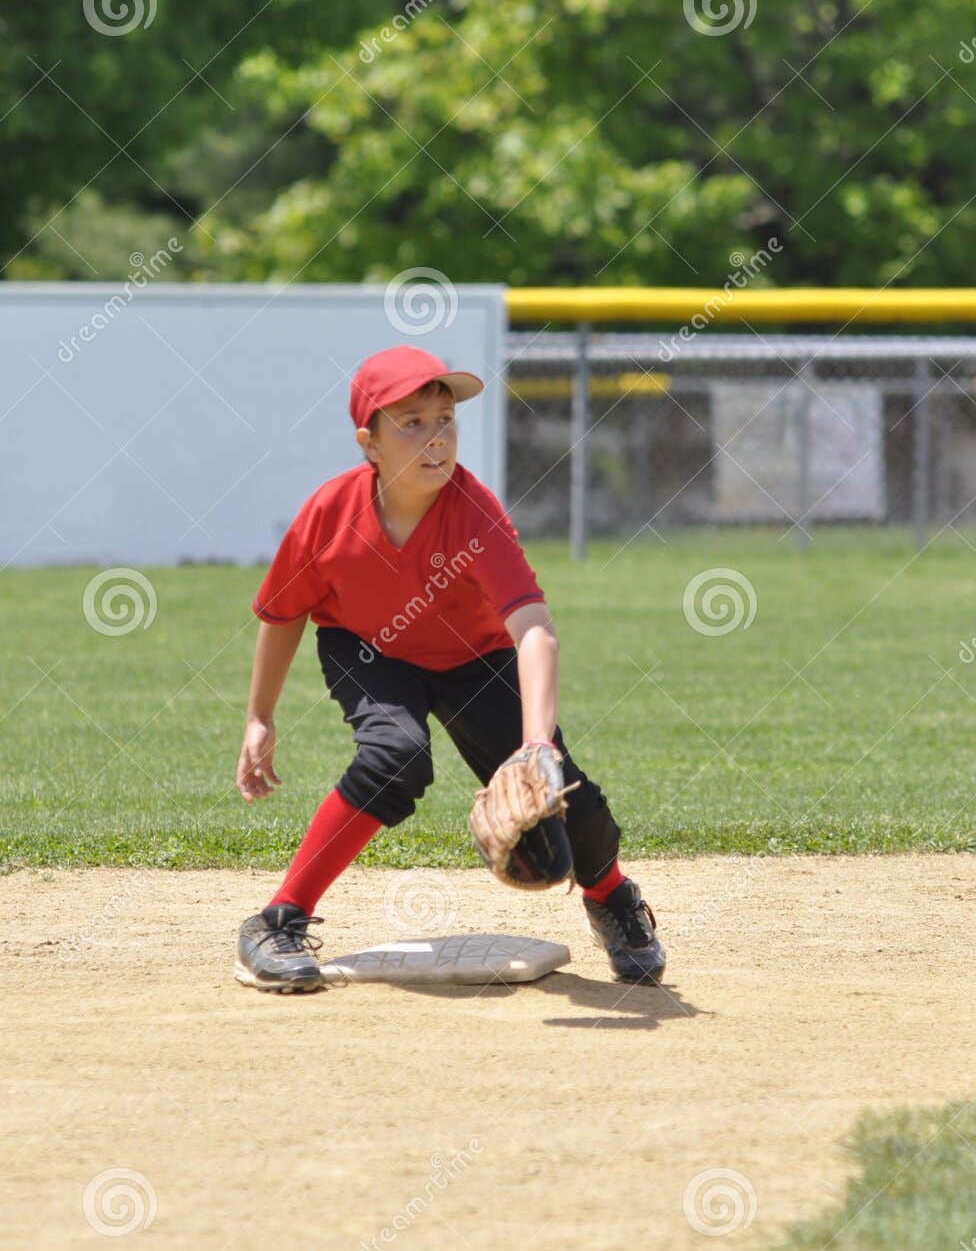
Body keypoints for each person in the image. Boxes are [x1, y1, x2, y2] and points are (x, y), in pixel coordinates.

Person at [233, 343, 666, 993]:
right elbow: (283, 611)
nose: (436, 437)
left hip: (476, 661)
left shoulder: (474, 512)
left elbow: (534, 629)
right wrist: (259, 717)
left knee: (563, 797)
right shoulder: (329, 513)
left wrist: (536, 743)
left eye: (445, 420)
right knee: (394, 758)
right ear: (368, 441)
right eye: (412, 422)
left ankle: (609, 895)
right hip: (369, 650)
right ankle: (276, 920)